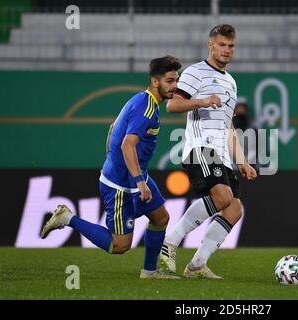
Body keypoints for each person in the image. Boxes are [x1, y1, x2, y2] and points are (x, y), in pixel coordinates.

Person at [40, 56, 182, 280]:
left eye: (176, 80)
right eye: (170, 81)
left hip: (135, 178)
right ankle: (67, 218)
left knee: (160, 217)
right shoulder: (146, 108)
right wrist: (139, 182)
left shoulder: (141, 101)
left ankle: (149, 272)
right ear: (155, 82)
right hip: (121, 186)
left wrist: (115, 159)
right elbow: (127, 145)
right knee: (120, 246)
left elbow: (113, 127)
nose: (175, 86)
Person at [160, 24, 257, 279]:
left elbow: (228, 126)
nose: (226, 50)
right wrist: (202, 100)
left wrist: (243, 162)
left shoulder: (231, 83)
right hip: (200, 146)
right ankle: (170, 241)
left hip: (223, 153)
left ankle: (197, 265)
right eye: (222, 44)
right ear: (210, 44)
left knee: (234, 209)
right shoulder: (195, 72)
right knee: (223, 198)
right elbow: (172, 104)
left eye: (231, 46)